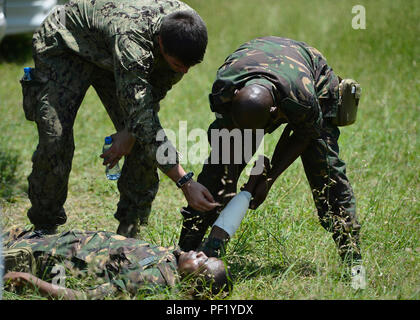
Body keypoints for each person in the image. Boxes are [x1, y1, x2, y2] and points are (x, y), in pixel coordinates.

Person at [21, 0, 219, 237]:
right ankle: (44, 227)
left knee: (140, 143)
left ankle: (128, 228)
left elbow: (150, 98)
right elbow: (143, 119)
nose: (183, 72)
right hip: (66, 44)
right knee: (55, 137)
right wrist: (185, 181)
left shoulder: (186, 33)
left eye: (189, 66)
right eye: (178, 64)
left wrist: (129, 133)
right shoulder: (133, 41)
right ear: (160, 43)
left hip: (111, 49)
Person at [178, 36, 362, 267]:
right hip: (256, 66)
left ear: (275, 112)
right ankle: (185, 250)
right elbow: (226, 143)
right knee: (218, 172)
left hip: (308, 80)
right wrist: (230, 181)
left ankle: (353, 265)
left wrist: (268, 178)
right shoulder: (224, 89)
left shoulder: (302, 99)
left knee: (328, 173)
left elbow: (303, 135)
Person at [2, 226, 232, 299]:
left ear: (191, 284)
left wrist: (28, 279)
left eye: (202, 261)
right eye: (207, 255)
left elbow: (86, 298)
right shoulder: (176, 259)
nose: (200, 254)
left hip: (35, 257)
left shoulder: (152, 279)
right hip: (43, 240)